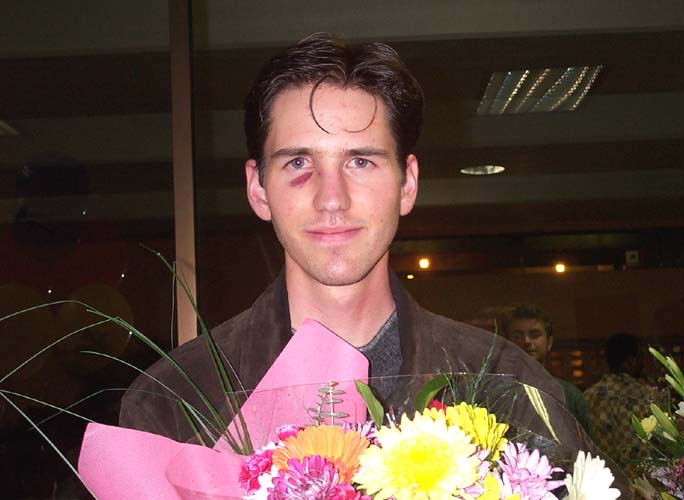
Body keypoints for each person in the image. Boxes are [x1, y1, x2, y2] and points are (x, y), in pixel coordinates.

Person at [118, 33, 631, 496]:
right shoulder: (178, 399)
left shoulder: (503, 384)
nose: (331, 198)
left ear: (408, 184)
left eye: (360, 161)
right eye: (298, 162)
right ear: (258, 188)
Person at [504, 304, 593, 438]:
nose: (526, 341)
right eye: (517, 336)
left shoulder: (568, 394)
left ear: (549, 342)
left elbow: (586, 446)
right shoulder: (495, 393)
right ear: (507, 343)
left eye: (535, 335)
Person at [584, 332, 661, 480]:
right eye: (642, 356)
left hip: (602, 482)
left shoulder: (589, 396)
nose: (645, 363)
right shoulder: (645, 396)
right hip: (642, 484)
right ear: (631, 361)